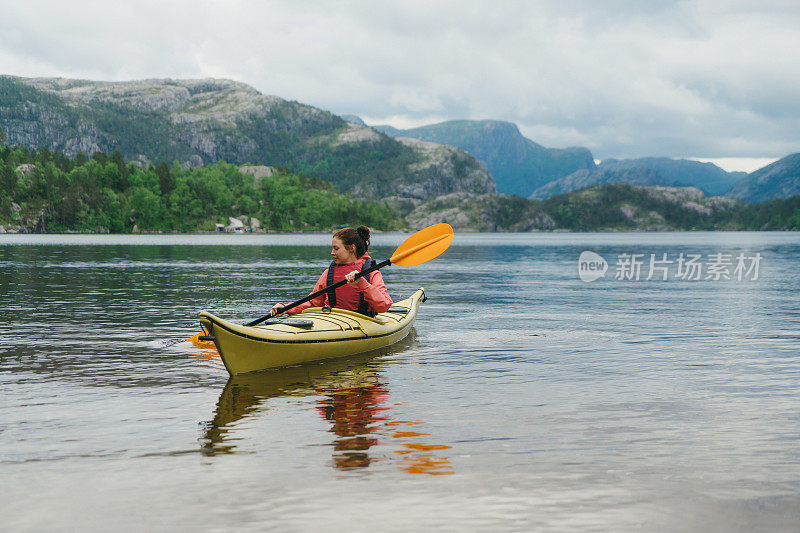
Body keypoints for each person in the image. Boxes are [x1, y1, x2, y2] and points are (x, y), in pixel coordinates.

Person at [270, 226, 393, 317]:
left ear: (351, 248)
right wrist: (286, 308)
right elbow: (313, 303)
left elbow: (383, 305)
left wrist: (362, 283)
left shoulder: (371, 273)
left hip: (362, 322)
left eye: (336, 248)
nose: (332, 253)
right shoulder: (328, 273)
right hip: (332, 320)